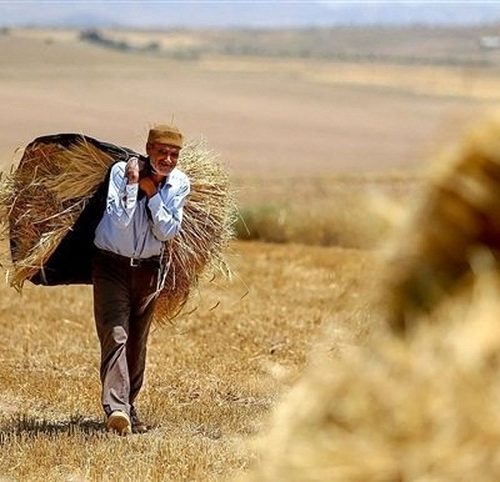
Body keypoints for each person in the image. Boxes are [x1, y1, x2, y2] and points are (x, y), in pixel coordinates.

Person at [92, 124, 190, 435]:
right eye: (162, 152)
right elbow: (119, 222)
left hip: (149, 270)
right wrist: (135, 184)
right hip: (110, 265)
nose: (168, 159)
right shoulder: (122, 171)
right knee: (116, 334)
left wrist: (152, 196)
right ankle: (116, 407)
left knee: (137, 341)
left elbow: (167, 231)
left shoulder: (179, 184)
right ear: (148, 149)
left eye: (174, 154)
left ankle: (128, 407)